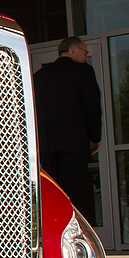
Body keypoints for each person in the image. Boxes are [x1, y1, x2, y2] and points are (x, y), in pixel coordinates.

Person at [33, 36, 103, 222]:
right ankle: (76, 238)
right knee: (75, 193)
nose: (86, 58)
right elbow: (92, 106)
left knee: (53, 195)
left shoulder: (40, 76)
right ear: (73, 50)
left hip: (47, 145)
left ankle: (56, 236)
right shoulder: (83, 72)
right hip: (74, 143)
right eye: (85, 52)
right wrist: (95, 136)